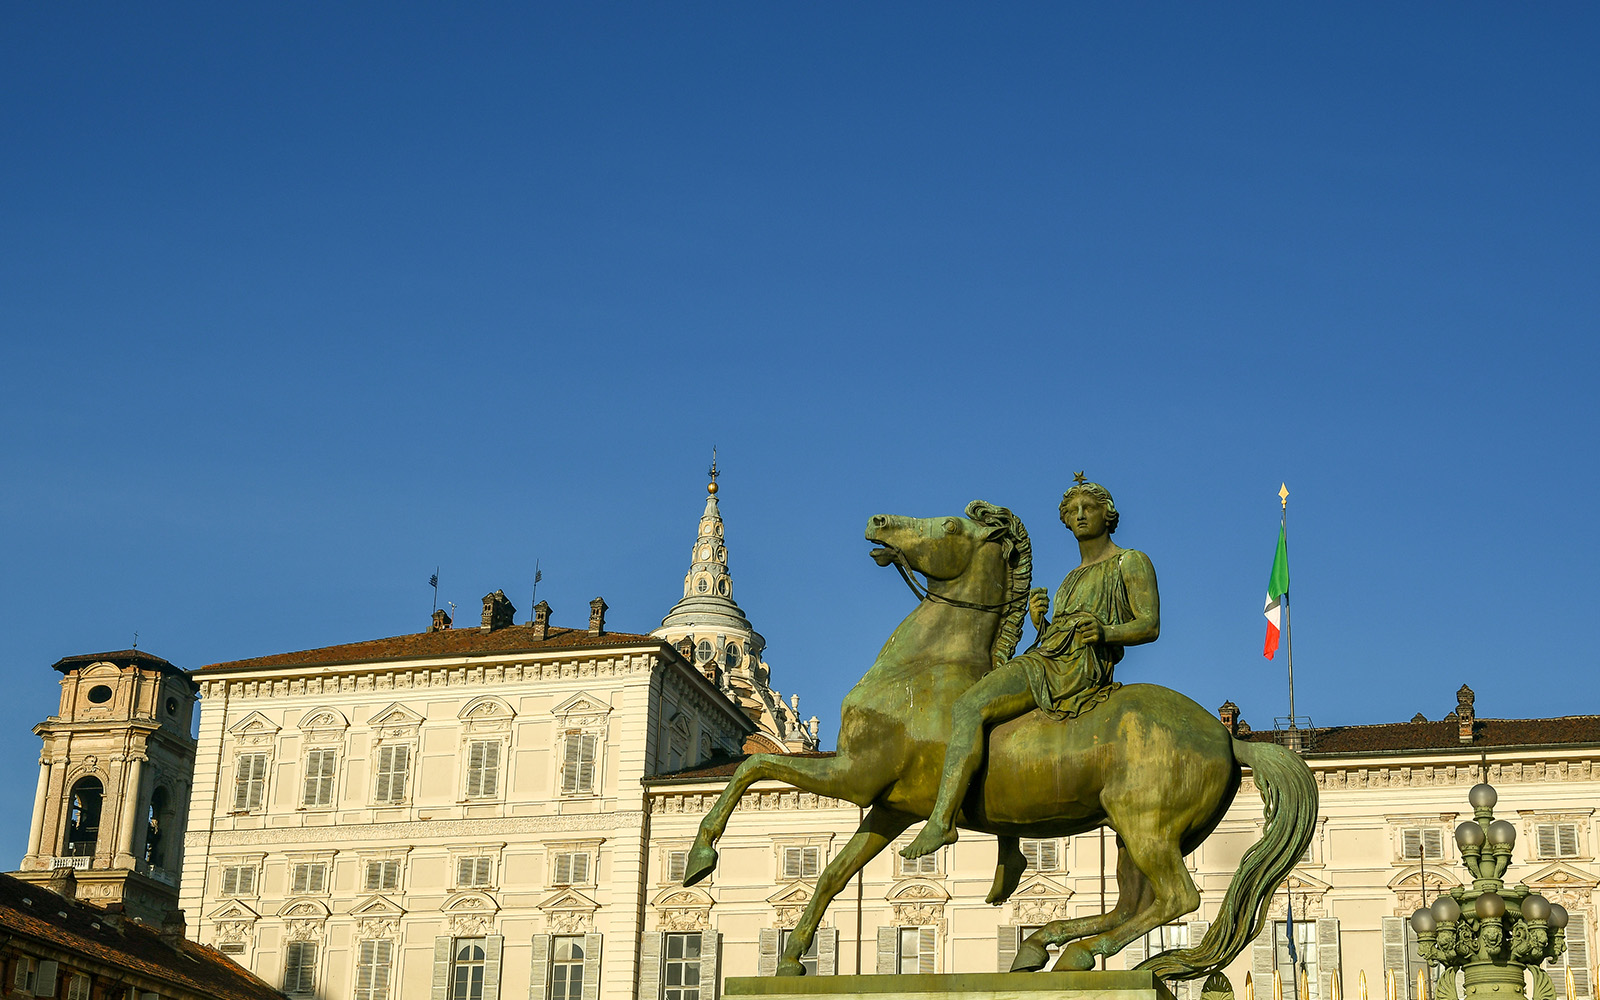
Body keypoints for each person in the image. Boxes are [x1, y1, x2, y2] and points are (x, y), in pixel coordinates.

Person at [900, 477, 1161, 859]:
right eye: (1072, 512)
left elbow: (1150, 624)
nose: (1080, 515)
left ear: (1109, 514)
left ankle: (941, 821)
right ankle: (1009, 850)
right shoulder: (1070, 578)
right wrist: (1042, 622)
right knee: (1003, 728)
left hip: (1076, 667)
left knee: (970, 707)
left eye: (1089, 508)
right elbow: (1060, 634)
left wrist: (1107, 632)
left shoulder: (1129, 561)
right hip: (1049, 656)